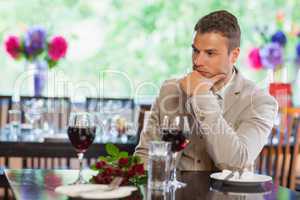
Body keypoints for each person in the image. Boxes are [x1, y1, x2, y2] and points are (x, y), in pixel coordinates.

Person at [134, 10, 278, 171]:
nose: (197, 61)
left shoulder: (260, 102)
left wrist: (201, 95)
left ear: (234, 55)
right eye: (195, 51)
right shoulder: (170, 90)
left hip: (225, 195)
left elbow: (235, 164)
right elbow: (145, 155)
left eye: (210, 53)